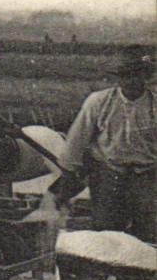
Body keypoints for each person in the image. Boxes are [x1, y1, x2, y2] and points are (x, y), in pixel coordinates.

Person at [60, 45, 156, 241]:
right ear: (117, 77)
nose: (130, 80)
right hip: (108, 172)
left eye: (136, 75)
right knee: (106, 231)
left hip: (147, 173)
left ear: (145, 76)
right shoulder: (99, 102)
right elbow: (77, 139)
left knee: (148, 230)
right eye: (124, 75)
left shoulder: (154, 105)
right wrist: (69, 171)